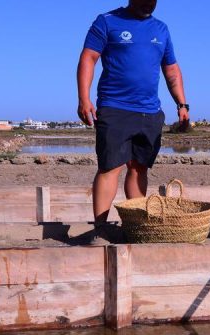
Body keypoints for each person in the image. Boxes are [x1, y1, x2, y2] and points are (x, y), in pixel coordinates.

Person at [77, 0, 189, 231]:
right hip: (114, 107)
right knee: (110, 167)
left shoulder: (161, 29)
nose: (149, 4)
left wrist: (182, 103)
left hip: (150, 112)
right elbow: (89, 58)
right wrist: (84, 98)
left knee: (139, 168)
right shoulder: (107, 21)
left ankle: (134, 224)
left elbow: (171, 70)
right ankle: (100, 228)